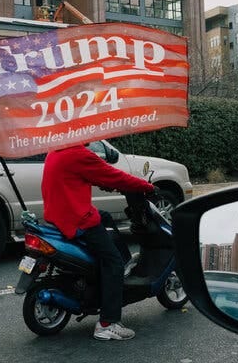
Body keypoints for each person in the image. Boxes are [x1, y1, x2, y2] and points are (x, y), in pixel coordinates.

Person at [41, 144, 155, 341]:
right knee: (113, 262)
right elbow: (114, 175)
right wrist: (148, 187)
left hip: (57, 215)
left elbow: (78, 176)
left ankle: (123, 266)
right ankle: (107, 323)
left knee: (105, 217)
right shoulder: (79, 154)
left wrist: (105, 183)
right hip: (77, 219)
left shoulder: (55, 150)